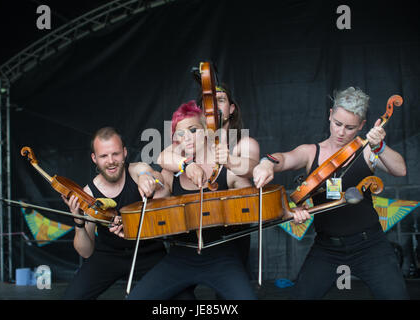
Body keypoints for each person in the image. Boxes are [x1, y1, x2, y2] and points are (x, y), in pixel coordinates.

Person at [253, 87, 409, 299]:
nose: (341, 132)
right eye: (337, 123)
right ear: (329, 115)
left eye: (350, 127)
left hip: (370, 245)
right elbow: (285, 158)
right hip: (327, 248)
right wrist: (266, 163)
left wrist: (379, 146)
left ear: (362, 126)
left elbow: (400, 170)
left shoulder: (367, 150)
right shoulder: (311, 152)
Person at [126, 101, 257, 300]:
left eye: (193, 130)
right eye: (180, 134)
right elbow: (157, 179)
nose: (186, 138)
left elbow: (253, 200)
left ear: (207, 131)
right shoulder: (172, 170)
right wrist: (148, 179)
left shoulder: (226, 169)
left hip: (221, 257)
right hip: (181, 256)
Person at [61, 127, 169, 299]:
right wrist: (78, 221)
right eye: (104, 156)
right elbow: (86, 252)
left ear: (125, 153)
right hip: (108, 256)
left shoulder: (136, 170)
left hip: (148, 251)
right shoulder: (88, 194)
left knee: (183, 298)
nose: (111, 161)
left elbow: (159, 181)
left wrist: (147, 178)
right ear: (94, 159)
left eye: (115, 154)